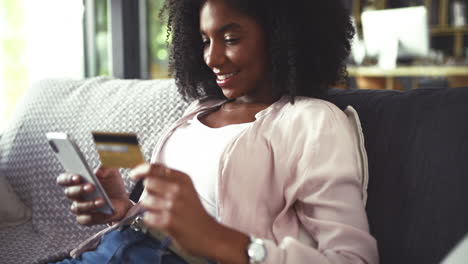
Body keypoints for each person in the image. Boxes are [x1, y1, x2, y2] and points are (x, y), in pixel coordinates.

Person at [53, 0, 378, 263]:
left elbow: (353, 258)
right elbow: (177, 226)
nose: (212, 58)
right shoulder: (197, 111)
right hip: (117, 248)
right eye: (205, 41)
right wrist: (125, 209)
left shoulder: (313, 122)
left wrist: (222, 241)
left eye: (231, 39)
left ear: (283, 36)